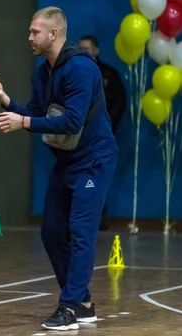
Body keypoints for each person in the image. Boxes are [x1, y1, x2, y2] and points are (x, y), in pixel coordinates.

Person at [0, 6, 118, 331]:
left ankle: (69, 307)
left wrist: (24, 122)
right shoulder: (42, 71)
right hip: (67, 162)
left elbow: (71, 121)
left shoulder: (81, 69)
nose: (29, 37)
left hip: (94, 160)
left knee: (81, 233)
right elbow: (33, 111)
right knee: (51, 231)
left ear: (54, 34)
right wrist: (5, 100)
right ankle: (83, 303)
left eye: (35, 32)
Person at [78, 35, 126, 230]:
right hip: (76, 136)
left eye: (87, 48)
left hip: (102, 138)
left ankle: (97, 217)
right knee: (76, 177)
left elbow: (119, 103)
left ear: (96, 50)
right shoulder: (72, 73)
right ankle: (77, 217)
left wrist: (106, 126)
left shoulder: (109, 74)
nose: (83, 52)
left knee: (97, 177)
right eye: (80, 48)